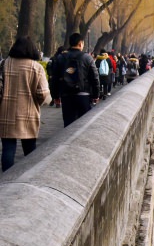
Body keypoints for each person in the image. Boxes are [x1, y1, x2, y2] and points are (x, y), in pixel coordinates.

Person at [0, 37, 51, 171]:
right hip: (28, 113)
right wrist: (37, 103)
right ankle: (27, 176)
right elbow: (43, 93)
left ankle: (6, 177)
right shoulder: (37, 67)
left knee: (8, 149)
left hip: (6, 112)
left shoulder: (4, 64)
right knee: (30, 150)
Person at [51, 33, 101, 127]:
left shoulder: (61, 58)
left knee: (68, 124)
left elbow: (55, 78)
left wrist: (55, 96)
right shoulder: (87, 58)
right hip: (84, 95)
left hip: (66, 95)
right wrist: (96, 94)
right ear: (80, 43)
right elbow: (95, 78)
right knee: (84, 125)